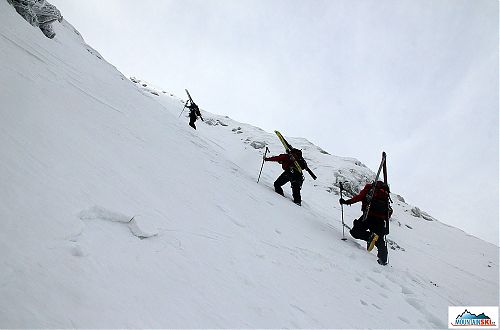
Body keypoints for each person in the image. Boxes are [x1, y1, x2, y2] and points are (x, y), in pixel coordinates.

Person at [339, 181, 392, 265]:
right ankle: (383, 261)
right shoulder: (385, 194)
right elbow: (389, 211)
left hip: (368, 216)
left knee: (355, 232)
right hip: (380, 221)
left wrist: (346, 202)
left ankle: (370, 236)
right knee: (380, 241)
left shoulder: (370, 188)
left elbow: (359, 197)